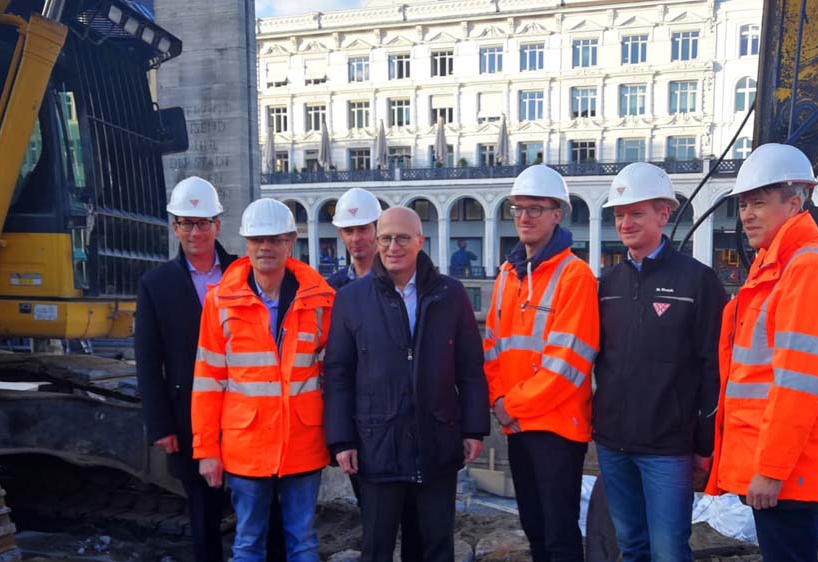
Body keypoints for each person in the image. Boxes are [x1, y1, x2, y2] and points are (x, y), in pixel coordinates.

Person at [705, 143, 818, 562]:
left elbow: (799, 382)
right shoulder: (776, 267)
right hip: (778, 464)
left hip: (784, 470)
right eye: (743, 206)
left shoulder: (806, 268)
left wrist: (770, 470)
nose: (748, 215)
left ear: (793, 204)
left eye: (759, 203)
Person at [323, 207, 489, 562]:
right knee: (377, 546)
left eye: (402, 238)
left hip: (436, 443)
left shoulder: (450, 294)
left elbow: (471, 368)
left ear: (420, 241)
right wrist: (341, 440)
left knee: (434, 547)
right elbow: (338, 373)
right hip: (377, 444)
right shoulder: (352, 299)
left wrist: (474, 429)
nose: (393, 246)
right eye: (385, 238)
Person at [594, 163, 726, 562]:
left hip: (668, 449)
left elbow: (713, 367)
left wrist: (704, 443)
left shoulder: (697, 282)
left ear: (664, 214)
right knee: (631, 547)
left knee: (669, 552)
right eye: (619, 214)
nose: (625, 222)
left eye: (636, 212)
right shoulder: (607, 285)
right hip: (612, 444)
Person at [191, 198, 335, 562]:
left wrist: (340, 438)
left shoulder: (321, 301)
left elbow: (334, 378)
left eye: (274, 239)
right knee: (248, 542)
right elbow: (208, 379)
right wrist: (206, 449)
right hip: (247, 446)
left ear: (290, 242)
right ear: (246, 244)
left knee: (302, 540)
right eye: (257, 240)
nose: (265, 247)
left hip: (302, 442)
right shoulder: (221, 302)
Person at [482, 165, 599, 562]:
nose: (525, 217)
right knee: (535, 528)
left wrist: (506, 406)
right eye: (517, 209)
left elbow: (567, 366)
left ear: (557, 214)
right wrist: (500, 400)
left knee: (560, 534)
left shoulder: (575, 276)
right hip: (518, 425)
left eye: (536, 208)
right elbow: (493, 349)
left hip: (556, 428)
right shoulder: (508, 274)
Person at [135, 177, 236, 562]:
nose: (195, 232)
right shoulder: (155, 284)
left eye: (203, 222)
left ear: (217, 225)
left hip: (246, 411)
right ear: (175, 227)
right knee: (203, 514)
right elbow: (148, 360)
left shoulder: (242, 273)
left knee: (258, 510)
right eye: (186, 223)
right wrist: (160, 426)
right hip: (188, 416)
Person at [327, 188, 381, 290]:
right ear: (341, 235)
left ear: (378, 229)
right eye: (348, 231)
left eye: (363, 229)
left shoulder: (397, 281)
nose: (355, 238)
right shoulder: (332, 287)